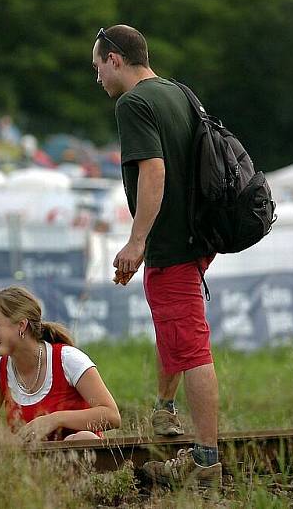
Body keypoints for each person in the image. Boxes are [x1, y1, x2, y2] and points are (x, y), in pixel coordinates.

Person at [92, 25, 221, 488]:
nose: (98, 79)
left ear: (115, 60)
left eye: (97, 68)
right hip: (197, 238)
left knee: (192, 345)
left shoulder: (133, 103)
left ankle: (206, 460)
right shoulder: (179, 92)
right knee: (174, 327)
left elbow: (154, 171)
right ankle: (166, 412)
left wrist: (136, 241)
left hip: (171, 245)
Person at [0, 286, 120, 446]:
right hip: (26, 460)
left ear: (21, 325)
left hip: (76, 459)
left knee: (83, 437)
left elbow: (112, 416)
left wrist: (55, 420)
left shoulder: (67, 359)